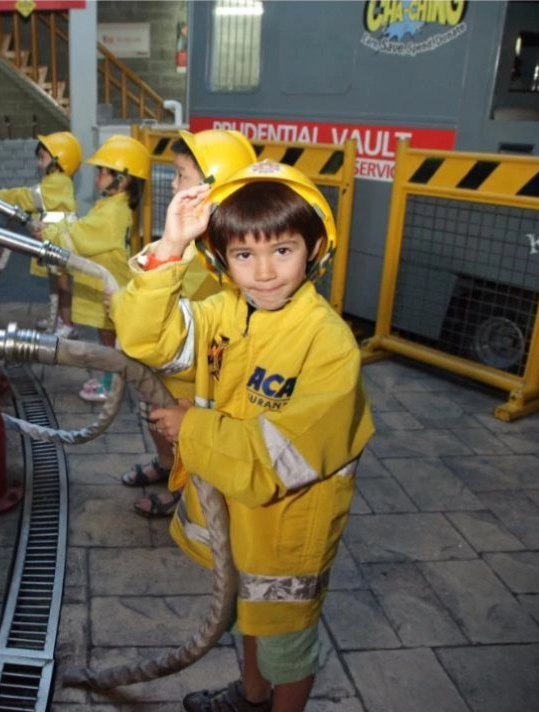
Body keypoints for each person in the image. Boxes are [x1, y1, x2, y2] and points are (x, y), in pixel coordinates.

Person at [111, 161, 374, 712]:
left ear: (315, 249)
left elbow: (282, 455)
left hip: (286, 534)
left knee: (288, 648)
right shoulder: (222, 312)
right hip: (236, 514)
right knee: (248, 616)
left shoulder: (329, 345)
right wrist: (171, 245)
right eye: (244, 255)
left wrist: (195, 427)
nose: (265, 272)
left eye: (283, 250)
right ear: (221, 261)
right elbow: (147, 341)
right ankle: (251, 697)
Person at [123, 129, 257, 518]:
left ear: (211, 191)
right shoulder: (196, 247)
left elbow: (168, 329)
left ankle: (179, 490)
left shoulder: (216, 266)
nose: (173, 182)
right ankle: (167, 469)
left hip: (190, 382)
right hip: (166, 371)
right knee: (157, 423)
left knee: (182, 437)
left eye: (182, 174)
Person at [38, 134, 148, 402]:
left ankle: (112, 385)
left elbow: (78, 237)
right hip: (110, 282)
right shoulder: (113, 206)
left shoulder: (112, 213)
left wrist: (47, 232)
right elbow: (83, 229)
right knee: (107, 334)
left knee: (110, 338)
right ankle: (111, 379)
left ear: (123, 179)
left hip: (112, 285)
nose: (97, 176)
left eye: (102, 171)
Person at [0, 131, 81, 337]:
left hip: (61, 241)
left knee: (63, 284)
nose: (38, 163)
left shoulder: (57, 182)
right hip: (53, 239)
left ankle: (67, 324)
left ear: (59, 161)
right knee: (54, 282)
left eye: (42, 157)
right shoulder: (55, 181)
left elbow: (28, 196)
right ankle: (56, 318)